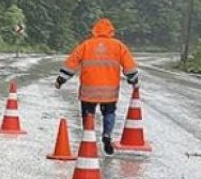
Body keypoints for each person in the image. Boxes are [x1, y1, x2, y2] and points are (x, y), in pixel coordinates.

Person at [55, 18, 139, 154]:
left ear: (94, 31)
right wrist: (133, 80)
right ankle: (107, 135)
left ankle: (89, 137)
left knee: (88, 114)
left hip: (89, 90)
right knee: (109, 113)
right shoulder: (118, 46)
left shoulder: (86, 45)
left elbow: (72, 62)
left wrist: (61, 79)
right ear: (111, 31)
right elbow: (129, 65)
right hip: (109, 92)